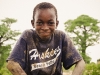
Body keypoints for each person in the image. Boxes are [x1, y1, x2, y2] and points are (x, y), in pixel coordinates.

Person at [6, 2, 85, 75]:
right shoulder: (28, 36)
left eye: (50, 23)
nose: (45, 27)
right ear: (33, 23)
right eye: (40, 23)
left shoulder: (60, 37)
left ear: (56, 24)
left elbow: (80, 62)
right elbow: (11, 63)